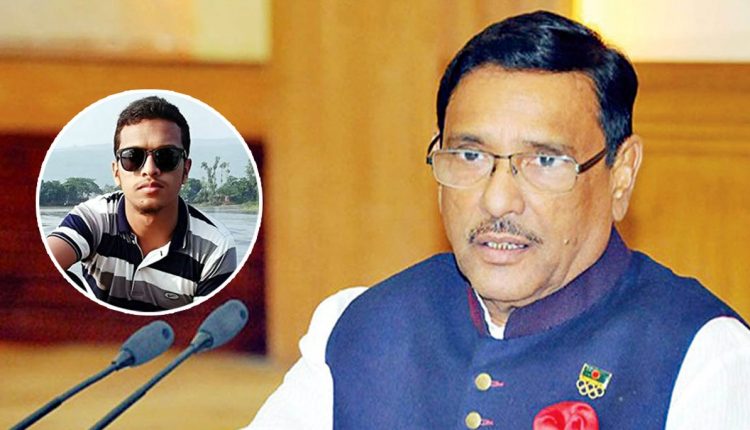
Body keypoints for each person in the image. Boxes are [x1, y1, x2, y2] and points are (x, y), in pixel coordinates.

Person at [247, 11, 750, 429]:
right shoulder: (364, 325)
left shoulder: (700, 355)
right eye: (470, 156)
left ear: (621, 175)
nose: (497, 201)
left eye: (544, 161)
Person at [47, 96, 237, 312]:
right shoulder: (94, 219)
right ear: (116, 172)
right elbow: (34, 268)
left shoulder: (215, 247)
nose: (150, 169)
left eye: (166, 156)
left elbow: (206, 326)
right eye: (132, 157)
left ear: (185, 170)